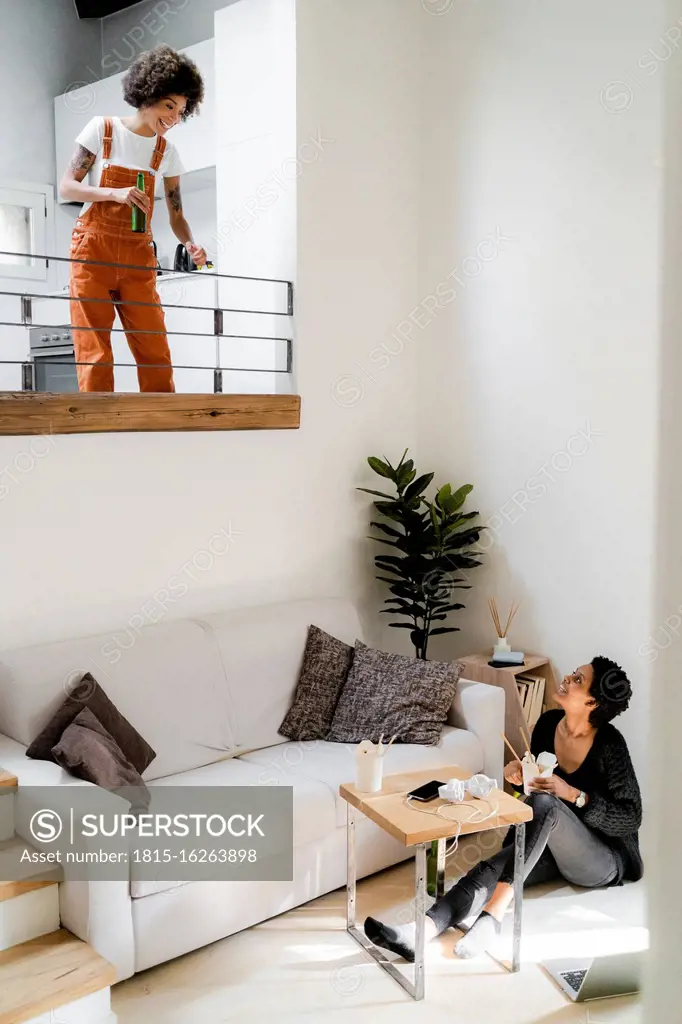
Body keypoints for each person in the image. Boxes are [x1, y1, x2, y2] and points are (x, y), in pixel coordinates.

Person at [364, 656, 643, 961]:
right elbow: (531, 790)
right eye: (573, 673)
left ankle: (492, 917)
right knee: (488, 869)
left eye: (578, 680)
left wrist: (576, 795)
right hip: (550, 845)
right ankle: (418, 932)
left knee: (546, 804)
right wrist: (517, 775)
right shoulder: (549, 723)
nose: (567, 678)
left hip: (601, 860)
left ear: (592, 702)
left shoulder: (611, 746)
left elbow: (631, 816)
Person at [60, 44, 208, 393]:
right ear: (148, 93)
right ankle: (98, 437)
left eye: (181, 111)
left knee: (154, 349)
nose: (173, 118)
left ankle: (161, 438)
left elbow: (176, 214)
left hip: (139, 256)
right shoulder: (103, 130)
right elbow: (67, 187)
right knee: (94, 352)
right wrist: (115, 193)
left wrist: (191, 243)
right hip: (91, 250)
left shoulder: (166, 152)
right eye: (169, 106)